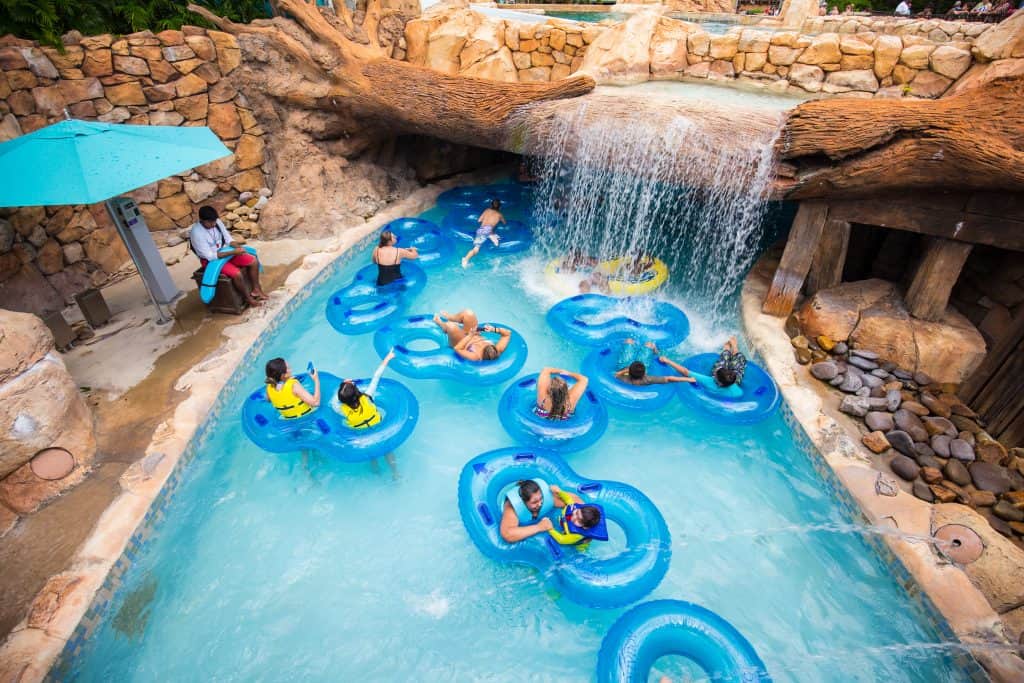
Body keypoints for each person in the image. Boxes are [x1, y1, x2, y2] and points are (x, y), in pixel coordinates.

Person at [337, 349, 399, 480]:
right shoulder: (368, 396)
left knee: (371, 454)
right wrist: (388, 358)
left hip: (363, 435)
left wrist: (343, 384)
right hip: (379, 429)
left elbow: (338, 399)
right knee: (387, 451)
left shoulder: (341, 409)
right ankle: (395, 473)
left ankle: (377, 474)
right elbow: (377, 375)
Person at [190, 206, 266, 307]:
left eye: (214, 221)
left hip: (225, 252)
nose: (213, 224)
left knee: (253, 261)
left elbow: (228, 239)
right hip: (210, 261)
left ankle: (257, 290)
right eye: (210, 222)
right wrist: (234, 252)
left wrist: (238, 248)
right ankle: (248, 298)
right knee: (237, 274)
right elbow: (210, 256)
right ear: (202, 220)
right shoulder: (197, 233)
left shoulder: (217, 222)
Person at [500, 479, 584, 543]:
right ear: (523, 502)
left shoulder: (546, 497)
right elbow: (507, 534)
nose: (540, 504)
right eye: (534, 502)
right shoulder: (512, 507)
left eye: (541, 498)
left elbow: (578, 503)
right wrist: (539, 527)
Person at [433, 309, 512, 361]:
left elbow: (457, 349)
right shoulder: (498, 349)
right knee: (469, 314)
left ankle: (442, 325)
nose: (482, 344)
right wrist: (493, 329)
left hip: (460, 341)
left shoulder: (476, 356)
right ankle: (451, 317)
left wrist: (470, 336)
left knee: (451, 326)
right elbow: (507, 334)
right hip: (474, 333)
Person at [613, 338, 697, 386]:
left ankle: (633, 348)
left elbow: (615, 374)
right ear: (645, 373)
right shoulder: (647, 379)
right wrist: (689, 379)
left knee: (629, 341)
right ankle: (656, 351)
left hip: (624, 367)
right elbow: (669, 379)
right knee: (649, 344)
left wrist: (625, 370)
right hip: (632, 370)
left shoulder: (623, 378)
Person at [461, 199, 506, 268]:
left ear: (491, 205)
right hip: (487, 231)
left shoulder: (487, 210)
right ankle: (465, 259)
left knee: (494, 239)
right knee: (476, 249)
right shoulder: (499, 215)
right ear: (500, 207)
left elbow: (479, 220)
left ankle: (493, 238)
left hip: (481, 230)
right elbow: (504, 223)